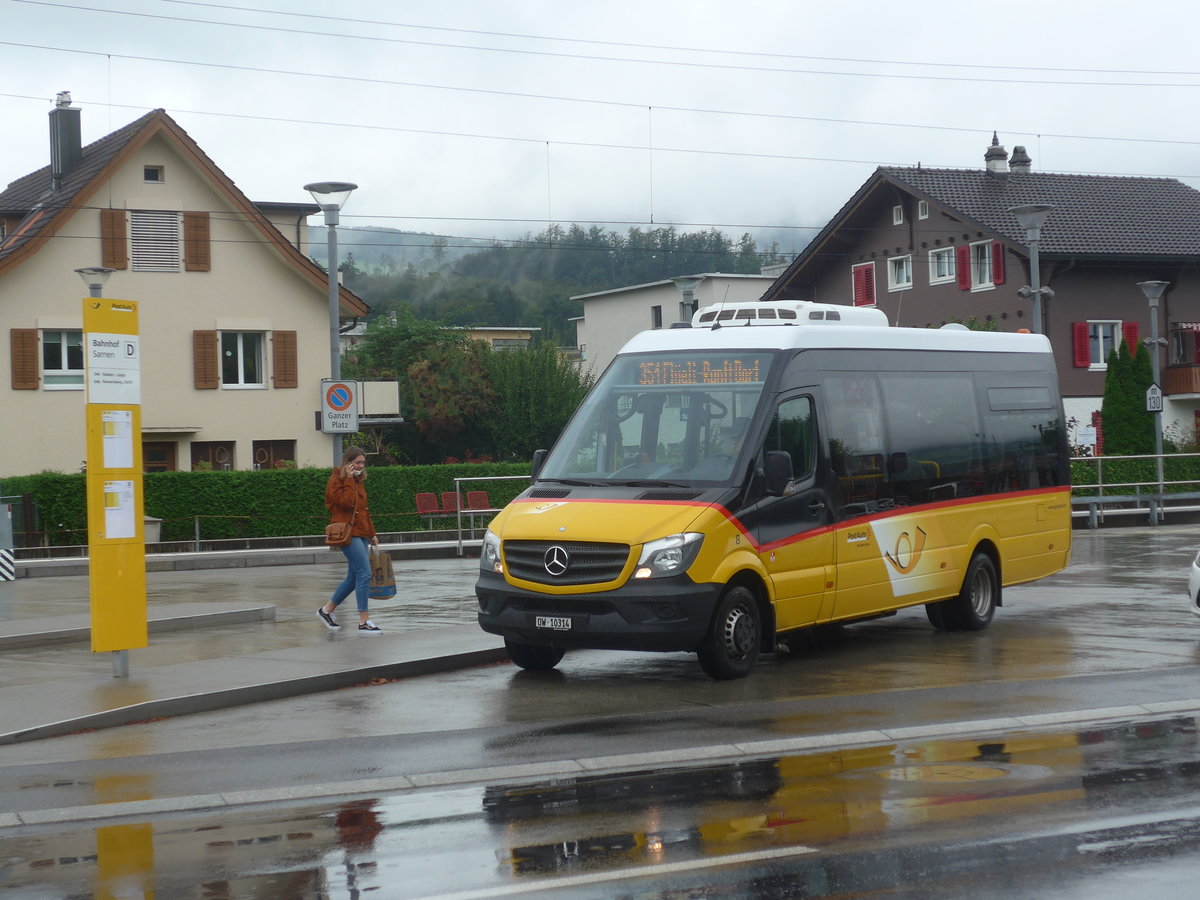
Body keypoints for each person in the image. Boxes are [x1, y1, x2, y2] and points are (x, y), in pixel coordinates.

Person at [318, 446, 382, 634]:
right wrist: (347, 479)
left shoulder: (357, 481)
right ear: (348, 463)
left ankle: (326, 610)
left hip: (360, 532)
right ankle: (363, 621)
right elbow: (345, 503)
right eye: (357, 462)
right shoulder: (337, 480)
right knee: (364, 573)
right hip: (347, 532)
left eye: (363, 463)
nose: (361, 466)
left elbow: (364, 511)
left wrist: (372, 533)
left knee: (353, 577)